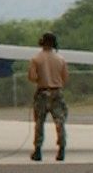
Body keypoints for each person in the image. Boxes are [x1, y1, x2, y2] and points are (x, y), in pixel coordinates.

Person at [28, 31, 71, 162]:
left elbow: (32, 77)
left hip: (42, 92)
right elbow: (65, 78)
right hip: (57, 93)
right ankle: (61, 149)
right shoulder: (61, 59)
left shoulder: (36, 59)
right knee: (60, 122)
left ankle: (38, 150)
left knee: (39, 123)